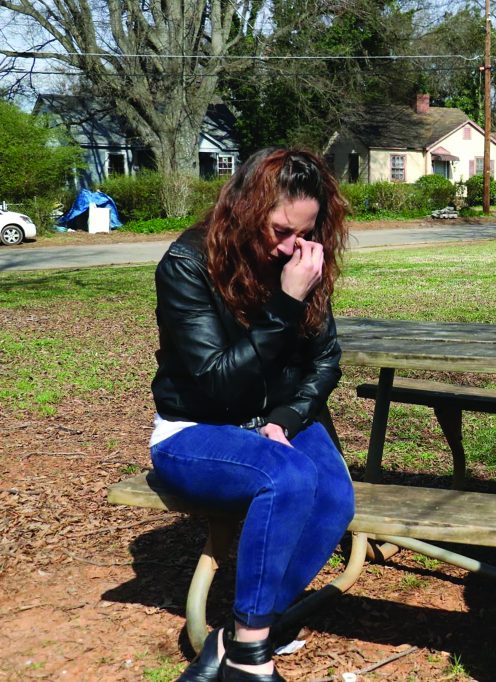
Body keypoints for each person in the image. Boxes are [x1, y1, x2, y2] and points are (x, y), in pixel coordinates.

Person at [149, 148, 355, 682]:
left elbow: (326, 358)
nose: (290, 248)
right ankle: (251, 660)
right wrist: (284, 305)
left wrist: (285, 418)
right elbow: (217, 382)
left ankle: (235, 636)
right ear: (245, 207)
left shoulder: (300, 259)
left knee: (334, 497)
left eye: (303, 235)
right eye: (280, 230)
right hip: (196, 430)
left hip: (278, 420)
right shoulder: (186, 263)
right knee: (286, 476)